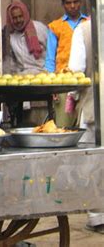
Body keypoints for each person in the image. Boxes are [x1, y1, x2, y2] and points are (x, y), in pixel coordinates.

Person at [68, 20, 104, 234]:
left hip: (94, 105)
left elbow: (76, 71)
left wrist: (71, 97)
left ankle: (99, 216)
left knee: (93, 164)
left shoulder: (83, 30)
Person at [45, 0, 89, 127]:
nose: (73, 6)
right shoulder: (55, 27)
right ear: (63, 4)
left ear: (80, 2)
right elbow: (50, 59)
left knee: (86, 122)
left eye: (75, 2)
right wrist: (53, 87)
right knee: (64, 125)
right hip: (63, 83)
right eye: (68, 3)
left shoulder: (88, 24)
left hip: (85, 82)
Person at [5, 1, 48, 74]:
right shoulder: (12, 35)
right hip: (23, 74)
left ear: (25, 15)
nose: (18, 20)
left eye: (20, 16)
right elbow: (12, 61)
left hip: (42, 73)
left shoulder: (39, 28)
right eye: (15, 18)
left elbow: (52, 50)